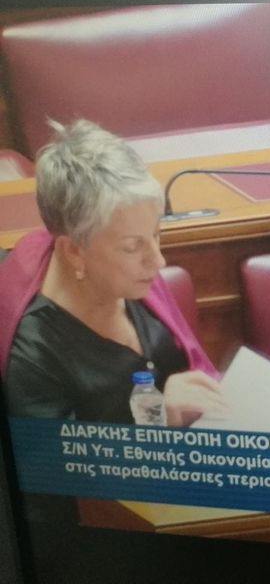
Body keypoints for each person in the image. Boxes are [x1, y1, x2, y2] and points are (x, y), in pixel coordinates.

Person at [0, 120, 225, 426]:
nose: (158, 261)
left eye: (156, 234)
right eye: (132, 246)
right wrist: (158, 420)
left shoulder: (132, 273)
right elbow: (57, 457)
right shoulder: (33, 352)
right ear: (74, 251)